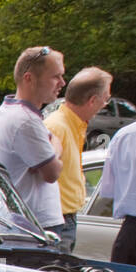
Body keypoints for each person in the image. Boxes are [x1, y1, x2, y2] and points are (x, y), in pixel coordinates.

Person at [0, 46, 68, 246]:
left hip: (20, 223)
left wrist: (50, 149)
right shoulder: (25, 121)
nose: (62, 83)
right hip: (34, 228)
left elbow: (50, 152)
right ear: (29, 78)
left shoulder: (9, 110)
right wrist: (55, 149)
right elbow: (52, 173)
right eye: (55, 77)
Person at [43, 66, 112, 252]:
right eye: (106, 100)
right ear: (92, 100)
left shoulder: (72, 124)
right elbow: (41, 175)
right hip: (57, 221)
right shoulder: (57, 126)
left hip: (64, 219)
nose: (104, 105)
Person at [99, 74, 136, 268]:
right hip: (134, 232)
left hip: (132, 235)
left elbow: (107, 189)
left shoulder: (124, 135)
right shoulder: (125, 135)